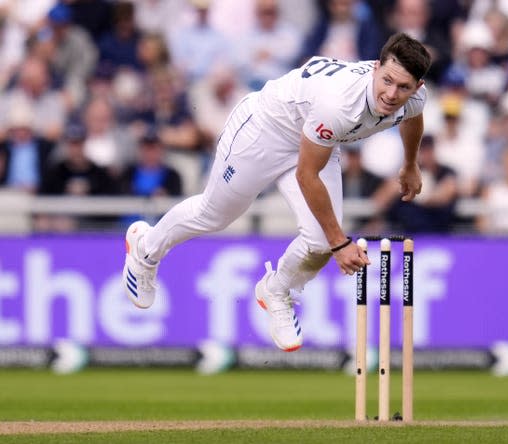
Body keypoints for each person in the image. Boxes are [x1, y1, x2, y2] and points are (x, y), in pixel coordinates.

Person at [122, 33, 430, 352]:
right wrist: (340, 245)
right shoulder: (339, 105)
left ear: (418, 87)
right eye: (387, 81)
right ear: (376, 68)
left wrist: (410, 164)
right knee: (214, 215)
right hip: (264, 131)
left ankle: (276, 290)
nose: (392, 94)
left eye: (404, 87)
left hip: (316, 141)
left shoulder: (414, 99)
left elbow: (412, 118)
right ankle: (145, 248)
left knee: (320, 241)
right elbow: (306, 176)